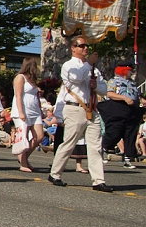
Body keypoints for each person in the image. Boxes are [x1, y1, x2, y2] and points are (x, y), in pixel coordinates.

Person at [49, 37, 111, 191]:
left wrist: (96, 86)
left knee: (96, 145)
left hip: (92, 109)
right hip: (74, 108)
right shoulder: (68, 65)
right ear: (73, 48)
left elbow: (104, 89)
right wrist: (89, 63)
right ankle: (55, 173)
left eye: (86, 45)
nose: (85, 48)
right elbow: (75, 78)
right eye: (81, 46)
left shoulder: (94, 69)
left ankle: (98, 180)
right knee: (69, 142)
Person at [99, 61, 141, 169]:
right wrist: (124, 98)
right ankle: (104, 147)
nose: (131, 72)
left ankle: (128, 158)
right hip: (118, 108)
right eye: (130, 70)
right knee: (115, 132)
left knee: (131, 134)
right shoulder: (114, 81)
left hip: (131, 110)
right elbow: (109, 93)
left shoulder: (132, 83)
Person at [11, 58, 43, 172]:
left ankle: (24, 157)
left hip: (35, 111)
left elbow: (37, 97)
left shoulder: (33, 80)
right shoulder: (20, 78)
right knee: (24, 136)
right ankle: (23, 163)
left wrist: (41, 111)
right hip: (24, 110)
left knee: (39, 136)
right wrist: (21, 112)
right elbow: (18, 95)